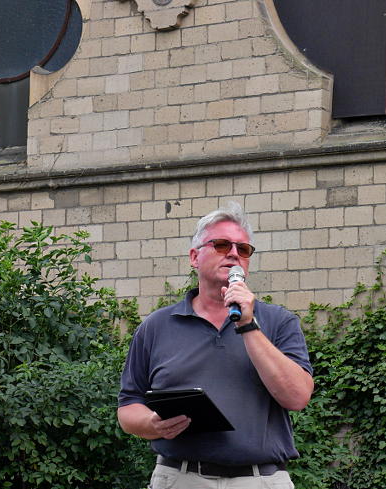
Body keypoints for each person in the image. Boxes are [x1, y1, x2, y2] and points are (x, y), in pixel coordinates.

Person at [118, 201, 313, 488]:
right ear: (194, 257)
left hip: (259, 480)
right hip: (180, 477)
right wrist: (152, 424)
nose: (234, 254)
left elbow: (297, 397)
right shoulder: (156, 326)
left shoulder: (279, 322)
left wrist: (248, 325)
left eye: (243, 249)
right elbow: (128, 406)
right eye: (222, 245)